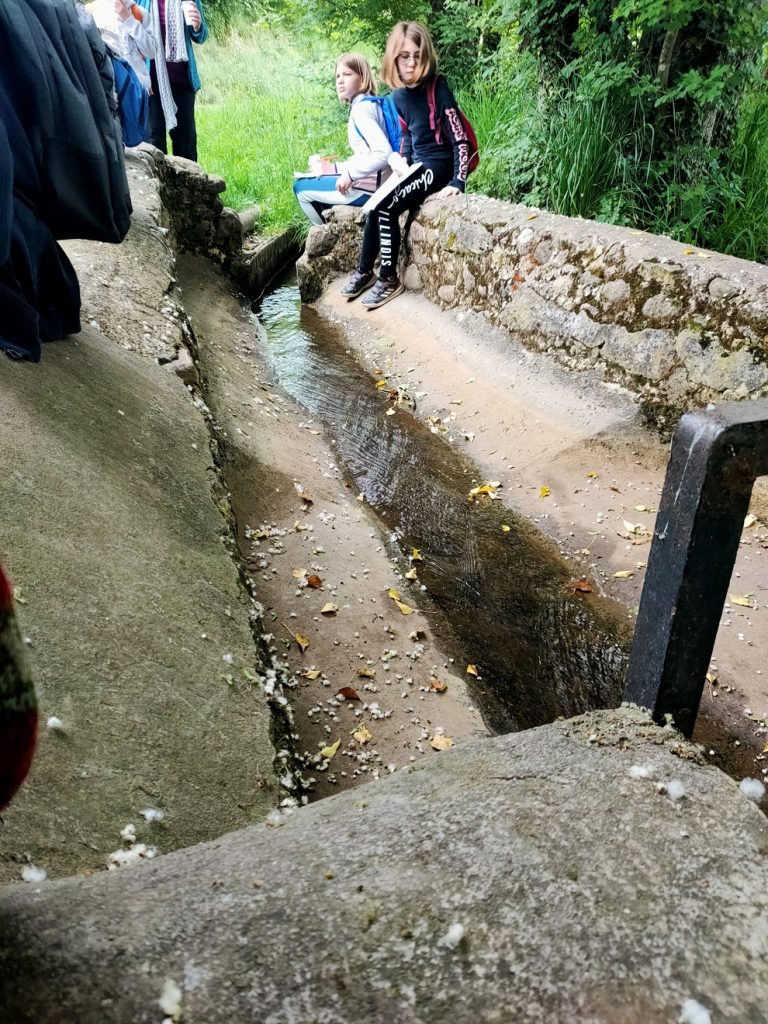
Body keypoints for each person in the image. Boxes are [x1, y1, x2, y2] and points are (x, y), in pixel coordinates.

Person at [341, 21, 469, 310]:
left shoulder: (438, 86)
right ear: (393, 58)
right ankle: (365, 272)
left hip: (438, 166)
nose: (411, 62)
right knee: (375, 204)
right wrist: (402, 165)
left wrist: (458, 181)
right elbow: (409, 135)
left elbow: (459, 137)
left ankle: (389, 278)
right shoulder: (398, 96)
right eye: (404, 56)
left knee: (388, 208)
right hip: (416, 166)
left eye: (417, 55)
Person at [293, 54, 392, 227]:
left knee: (301, 189)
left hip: (369, 189)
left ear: (362, 79)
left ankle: (323, 234)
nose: (340, 81)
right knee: (315, 181)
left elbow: (384, 153)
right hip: (376, 182)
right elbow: (366, 154)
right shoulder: (371, 103)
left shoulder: (361, 111)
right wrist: (334, 168)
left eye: (347, 75)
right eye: (338, 76)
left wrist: (350, 175)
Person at [136, 0, 208, 162]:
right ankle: (159, 186)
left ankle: (188, 186)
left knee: (185, 142)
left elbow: (201, 36)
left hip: (182, 80)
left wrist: (197, 26)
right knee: (154, 143)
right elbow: (131, 32)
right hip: (152, 82)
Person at [87, 0, 156, 92]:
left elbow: (151, 52)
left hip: (138, 90)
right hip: (109, 90)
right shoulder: (92, 12)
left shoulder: (138, 12)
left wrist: (128, 19)